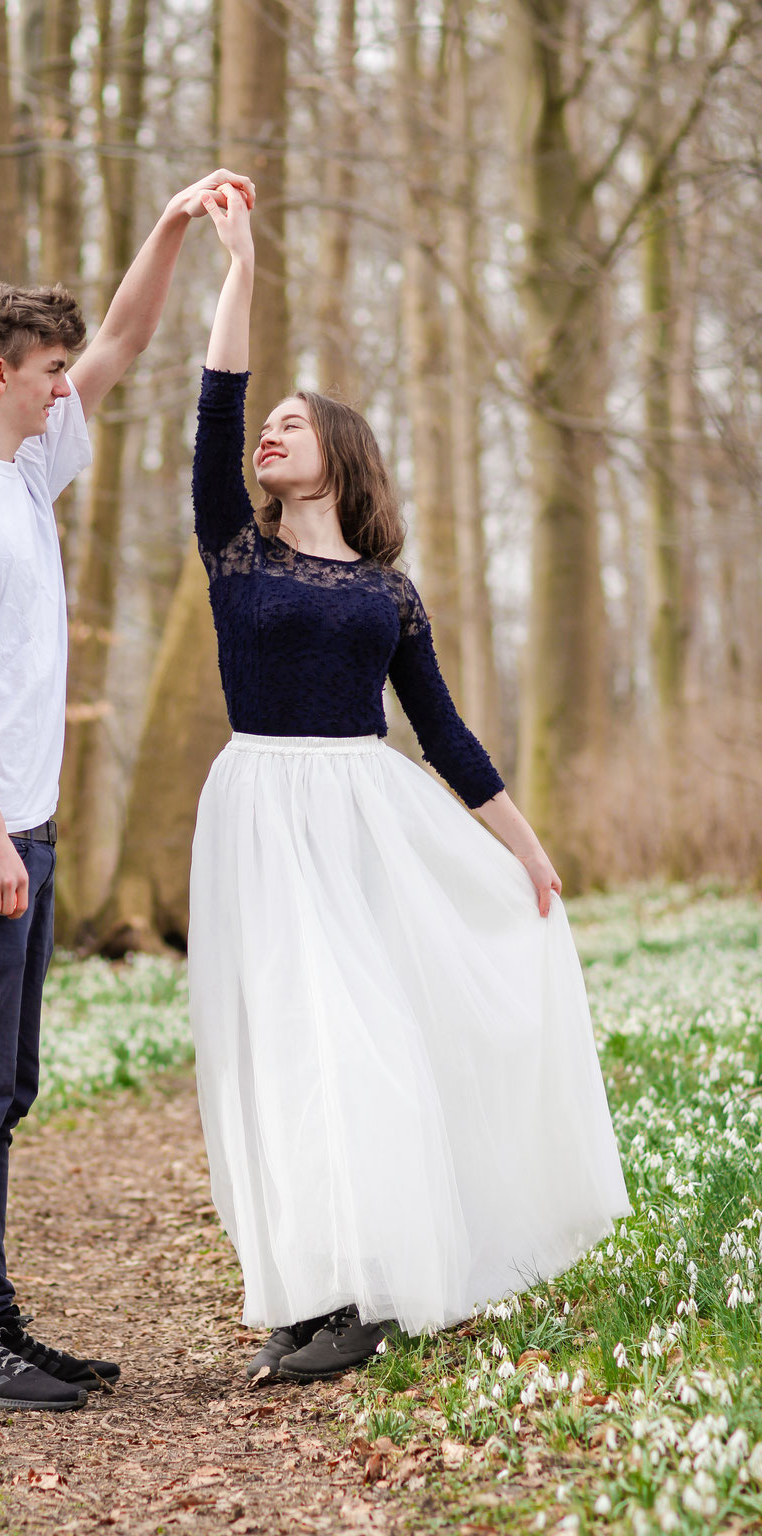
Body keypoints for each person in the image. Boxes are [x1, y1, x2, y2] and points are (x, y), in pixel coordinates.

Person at [188, 185, 630, 1384]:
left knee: (360, 1040)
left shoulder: (388, 595)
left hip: (364, 820)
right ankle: (305, 1286)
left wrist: (526, 853)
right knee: (279, 1049)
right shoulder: (235, 549)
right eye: (263, 427)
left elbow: (446, 735)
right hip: (258, 819)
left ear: (341, 452)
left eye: (291, 423)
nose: (265, 434)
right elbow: (214, 399)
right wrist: (237, 266)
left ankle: (368, 1294)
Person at [0, 169, 255, 1413]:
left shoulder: (25, 474)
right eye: (48, 371)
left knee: (6, 1087)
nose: (66, 383)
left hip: (20, 838)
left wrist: (166, 227)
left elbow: (127, 339)